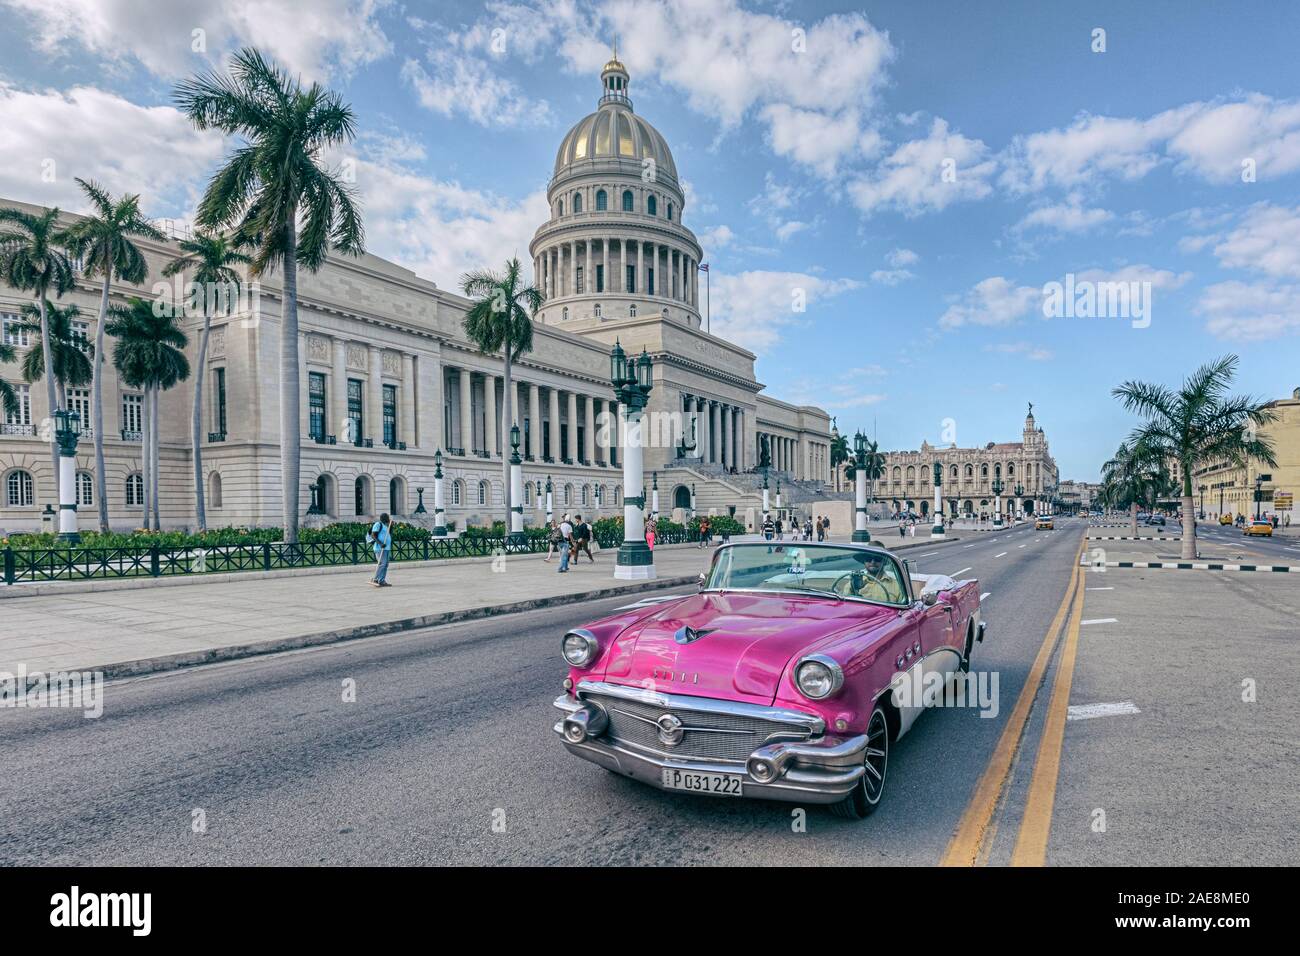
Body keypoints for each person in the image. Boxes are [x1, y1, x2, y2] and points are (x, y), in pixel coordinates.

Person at [368, 512, 393, 587]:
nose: (388, 518)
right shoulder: (378, 524)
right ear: (383, 518)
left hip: (386, 548)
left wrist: (391, 526)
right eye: (387, 517)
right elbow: (373, 535)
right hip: (380, 548)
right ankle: (376, 579)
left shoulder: (386, 526)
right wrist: (380, 543)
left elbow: (389, 534)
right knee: (382, 564)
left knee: (385, 564)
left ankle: (381, 580)